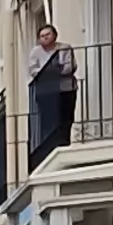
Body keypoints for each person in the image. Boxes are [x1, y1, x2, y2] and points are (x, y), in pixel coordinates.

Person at [26, 23, 77, 165]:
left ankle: (64, 142)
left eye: (47, 35)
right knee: (47, 121)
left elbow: (69, 66)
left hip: (65, 89)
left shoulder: (64, 48)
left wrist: (50, 71)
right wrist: (52, 71)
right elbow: (33, 70)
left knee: (66, 118)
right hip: (46, 91)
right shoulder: (35, 52)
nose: (45, 38)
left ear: (54, 35)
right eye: (42, 36)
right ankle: (50, 146)